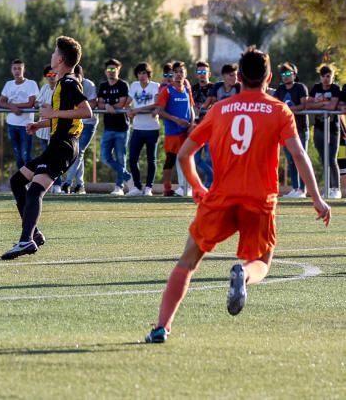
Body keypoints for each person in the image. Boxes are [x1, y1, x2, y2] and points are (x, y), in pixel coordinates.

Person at [145, 47, 331, 344]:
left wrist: (196, 185)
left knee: (187, 262)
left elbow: (184, 155)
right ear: (269, 78)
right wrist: (317, 198)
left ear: (239, 77)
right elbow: (299, 154)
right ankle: (242, 275)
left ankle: (161, 328)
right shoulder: (278, 110)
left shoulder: (220, 109)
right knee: (262, 262)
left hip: (219, 198)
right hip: (260, 200)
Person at [1, 36, 92, 260]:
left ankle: (26, 240)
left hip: (63, 145)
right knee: (17, 181)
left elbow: (86, 111)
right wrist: (41, 123)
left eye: (54, 52)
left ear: (60, 59)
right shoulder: (62, 83)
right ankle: (33, 234)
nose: (51, 56)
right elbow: (65, 117)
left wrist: (52, 114)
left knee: (34, 191)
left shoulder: (69, 82)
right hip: (58, 144)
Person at [156, 61, 194, 197]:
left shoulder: (187, 89)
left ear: (185, 74)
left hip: (186, 131)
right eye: (176, 72)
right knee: (170, 160)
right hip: (172, 132)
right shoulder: (167, 90)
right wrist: (176, 119)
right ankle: (167, 187)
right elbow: (159, 111)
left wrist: (191, 124)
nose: (178, 75)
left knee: (186, 158)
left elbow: (191, 108)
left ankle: (186, 187)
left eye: (181, 72)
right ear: (172, 74)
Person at [306, 64, 342, 199]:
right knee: (323, 158)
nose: (326, 79)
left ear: (332, 77)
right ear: (320, 77)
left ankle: (335, 188)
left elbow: (333, 106)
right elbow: (308, 105)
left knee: (331, 158)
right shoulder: (316, 88)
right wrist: (323, 104)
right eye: (323, 76)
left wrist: (321, 103)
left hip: (333, 128)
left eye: (329, 76)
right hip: (319, 128)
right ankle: (326, 187)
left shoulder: (335, 88)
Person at [61, 64, 98, 194]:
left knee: (80, 151)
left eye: (77, 77)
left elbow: (93, 103)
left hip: (89, 123)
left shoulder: (89, 85)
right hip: (75, 122)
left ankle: (67, 182)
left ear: (82, 76)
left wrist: (78, 106)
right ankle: (80, 185)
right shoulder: (68, 84)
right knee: (76, 153)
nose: (75, 79)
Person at [274, 62, 309, 198]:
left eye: (288, 74)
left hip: (300, 128)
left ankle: (303, 189)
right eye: (283, 74)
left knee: (301, 157)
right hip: (285, 130)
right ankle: (295, 188)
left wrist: (287, 110)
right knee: (290, 159)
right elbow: (275, 104)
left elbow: (303, 105)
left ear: (294, 74)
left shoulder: (300, 87)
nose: (286, 77)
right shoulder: (280, 89)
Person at [0, 59, 39, 172]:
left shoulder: (31, 84)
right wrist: (12, 107)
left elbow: (31, 103)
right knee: (18, 156)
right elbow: (0, 103)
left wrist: (13, 105)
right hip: (11, 124)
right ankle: (23, 181)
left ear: (24, 70)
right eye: (15, 68)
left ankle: (34, 179)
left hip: (26, 125)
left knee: (26, 156)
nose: (17, 71)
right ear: (11, 70)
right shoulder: (8, 84)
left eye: (19, 68)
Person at [126, 62, 160, 196]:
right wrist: (128, 109)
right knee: (133, 158)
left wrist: (137, 110)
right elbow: (127, 102)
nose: (142, 76)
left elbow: (156, 104)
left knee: (151, 159)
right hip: (138, 128)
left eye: (144, 73)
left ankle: (149, 188)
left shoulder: (155, 86)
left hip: (152, 128)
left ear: (148, 74)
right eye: (140, 73)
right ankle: (138, 187)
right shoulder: (134, 86)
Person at [98, 58, 131, 195]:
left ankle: (119, 186)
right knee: (104, 157)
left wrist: (110, 105)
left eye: (114, 69)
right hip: (108, 127)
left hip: (121, 128)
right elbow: (99, 104)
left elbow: (121, 104)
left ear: (118, 70)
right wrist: (106, 106)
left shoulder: (123, 85)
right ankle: (128, 176)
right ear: (106, 71)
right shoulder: (103, 86)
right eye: (109, 69)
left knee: (120, 157)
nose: (111, 72)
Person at [34, 66, 61, 193]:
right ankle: (46, 185)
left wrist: (49, 107)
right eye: (49, 75)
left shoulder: (60, 88)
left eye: (53, 74)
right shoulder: (44, 88)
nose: (51, 77)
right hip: (43, 130)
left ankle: (57, 185)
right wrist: (41, 105)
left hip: (55, 129)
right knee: (46, 158)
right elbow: (37, 103)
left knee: (55, 158)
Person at [191, 61, 214, 187]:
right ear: (196, 75)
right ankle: (213, 178)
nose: (202, 75)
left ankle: (209, 185)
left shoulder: (214, 88)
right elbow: (191, 107)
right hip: (197, 127)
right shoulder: (192, 89)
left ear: (209, 73)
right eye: (199, 72)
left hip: (211, 127)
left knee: (210, 158)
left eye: (204, 72)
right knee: (196, 158)